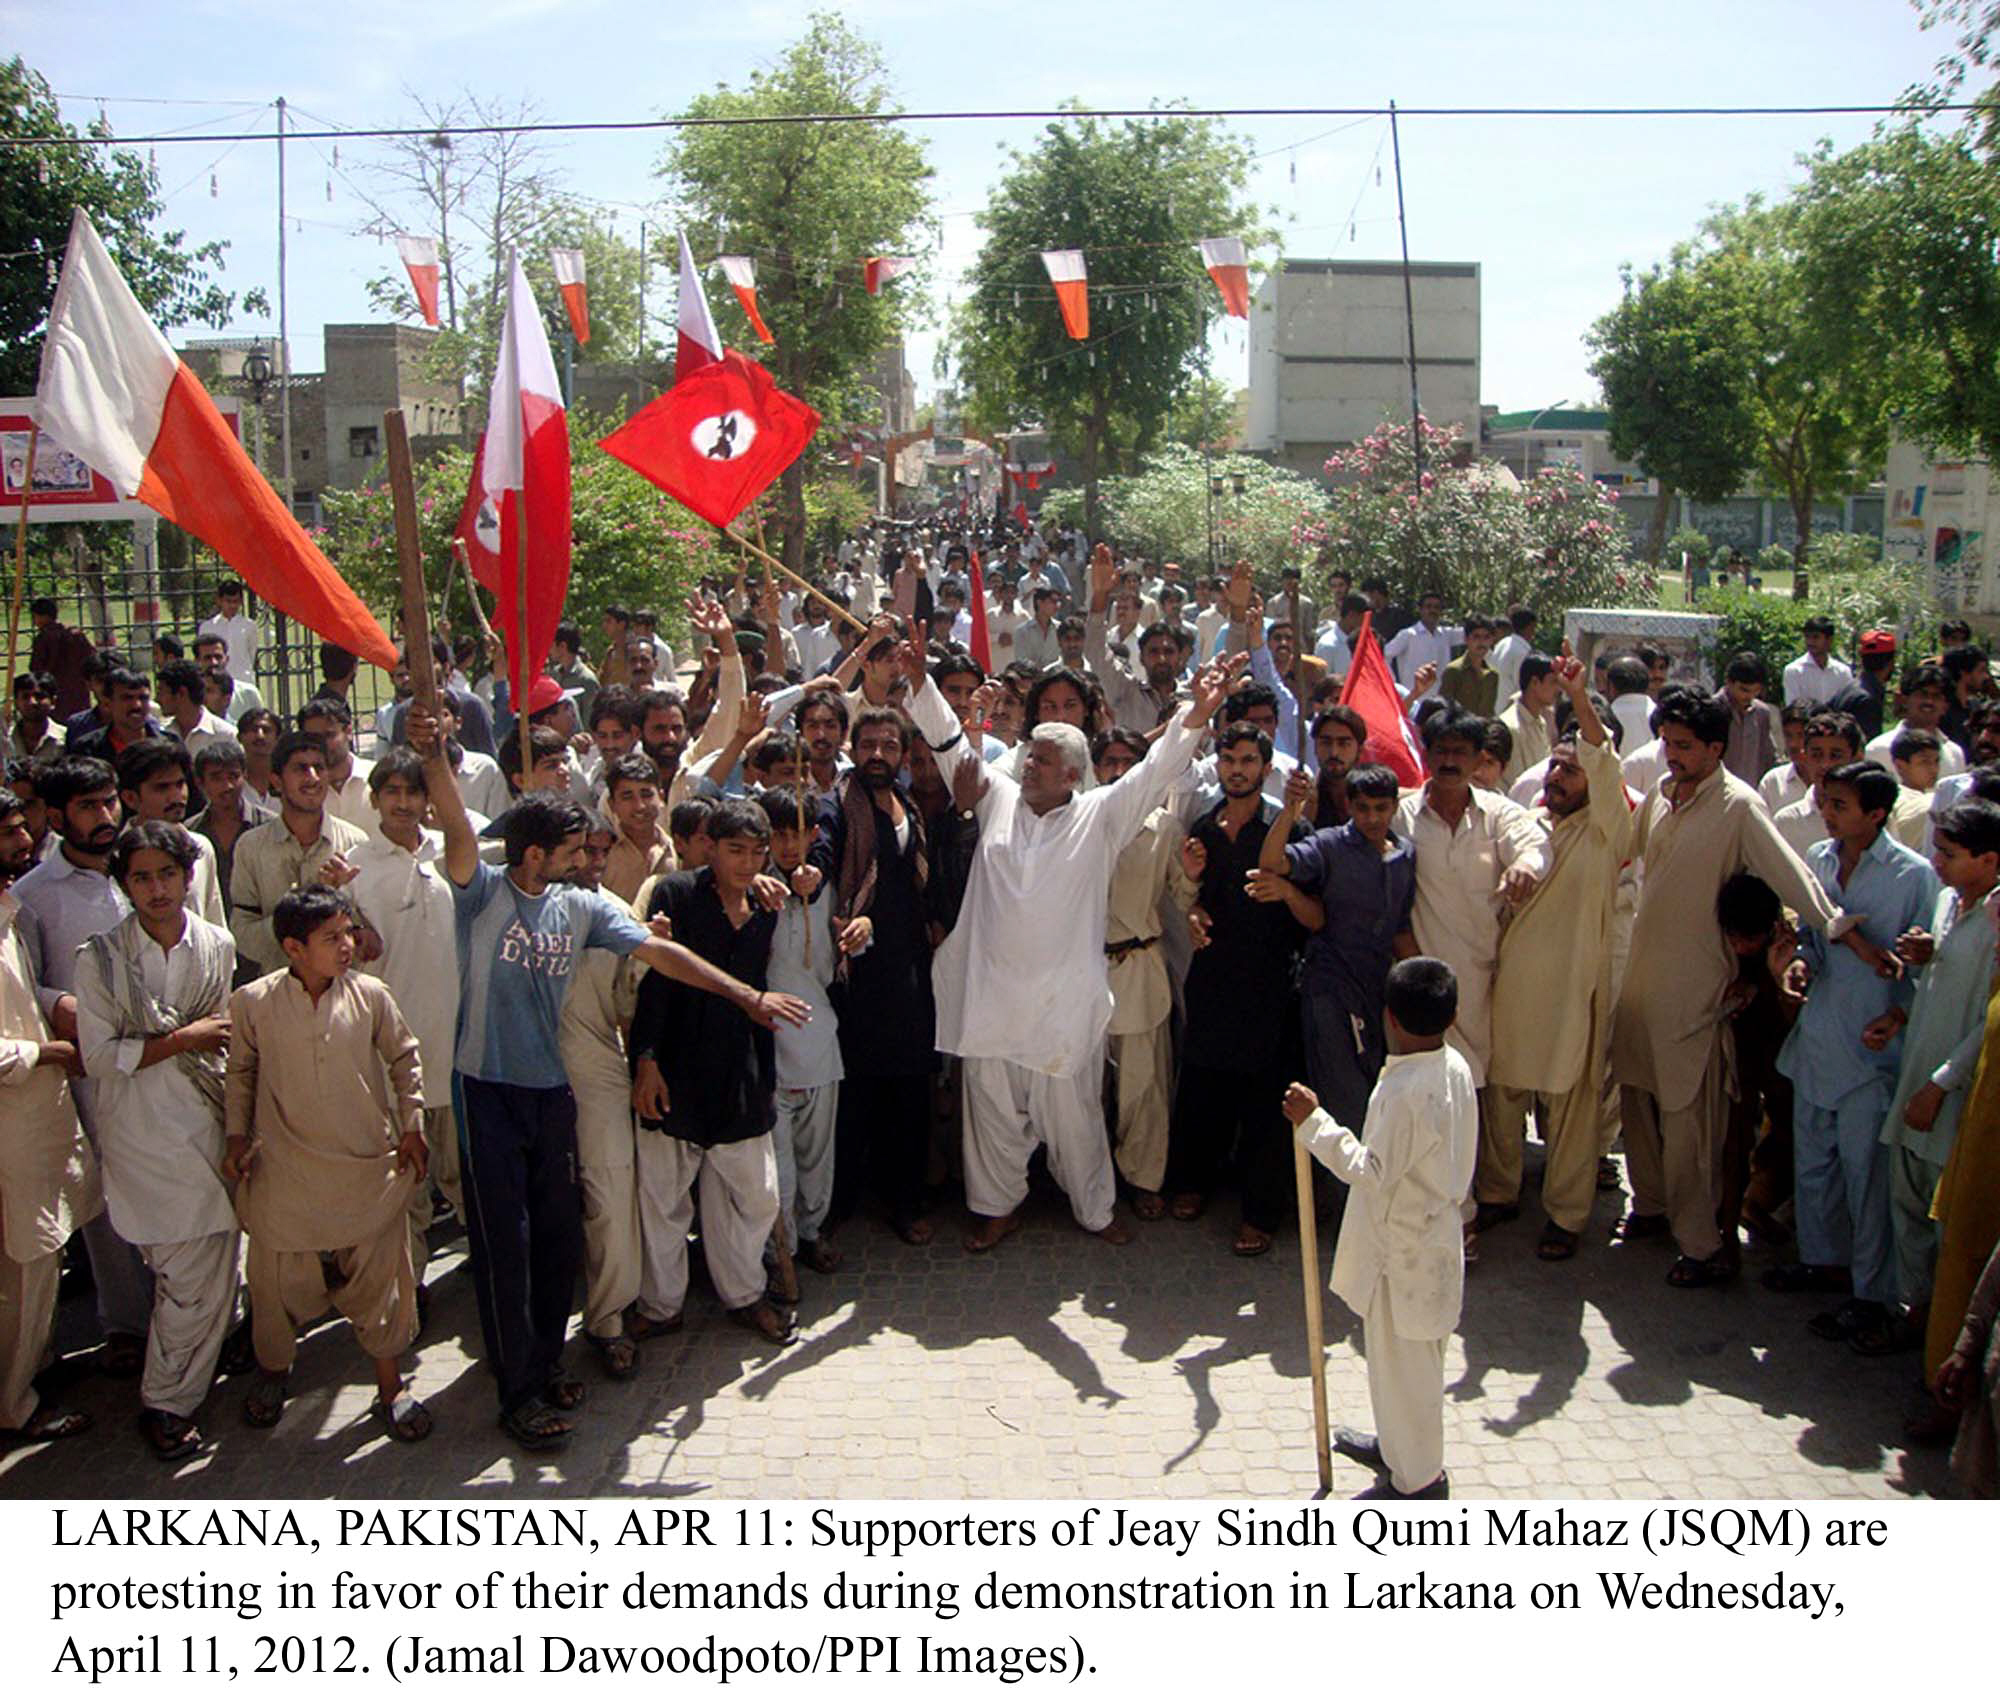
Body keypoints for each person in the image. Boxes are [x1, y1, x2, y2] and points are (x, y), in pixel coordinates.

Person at [408, 703, 807, 1446]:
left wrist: (745, 993)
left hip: (552, 1094)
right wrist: (434, 757)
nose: (586, 858)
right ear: (534, 855)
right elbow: (459, 827)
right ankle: (519, 1391)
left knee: (559, 1239)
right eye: (572, 849)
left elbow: (664, 957)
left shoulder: (580, 907)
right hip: (485, 1092)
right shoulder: (482, 892)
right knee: (508, 1246)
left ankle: (546, 1363)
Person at [912, 639, 1240, 1251]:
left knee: (1076, 1119)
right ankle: (995, 1208)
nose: (1025, 766)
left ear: (1070, 774)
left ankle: (1094, 1210)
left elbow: (1157, 769)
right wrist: (918, 683)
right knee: (990, 1114)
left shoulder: (1100, 816)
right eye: (1027, 757)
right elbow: (950, 745)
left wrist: (1198, 711)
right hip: (994, 998)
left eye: (1038, 760)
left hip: (1064, 1006)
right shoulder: (997, 800)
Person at [1610, 690, 1861, 1287]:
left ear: (1716, 749)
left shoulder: (1740, 807)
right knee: (1637, 1106)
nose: (1671, 755)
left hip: (1696, 993)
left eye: (1684, 746)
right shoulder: (1663, 799)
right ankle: (1649, 1209)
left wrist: (1829, 923)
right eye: (1667, 743)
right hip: (1643, 981)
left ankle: (1700, 1246)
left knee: (1690, 1125)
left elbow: (1786, 874)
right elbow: (1629, 856)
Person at [223, 887, 432, 1442]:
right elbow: (240, 1072)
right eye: (332, 937)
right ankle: (273, 1371)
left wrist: (412, 1126)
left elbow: (404, 1058)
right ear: (293, 947)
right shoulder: (253, 1002)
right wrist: (236, 1136)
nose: (347, 946)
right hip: (285, 1170)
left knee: (382, 1281)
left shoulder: (371, 995)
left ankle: (391, 1389)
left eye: (349, 932)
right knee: (272, 1283)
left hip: (365, 1166)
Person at [73, 822, 239, 1460]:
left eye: (166, 874)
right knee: (187, 1275)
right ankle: (166, 1404)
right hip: (141, 1132)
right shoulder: (101, 959)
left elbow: (224, 1038)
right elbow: (99, 1053)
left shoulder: (215, 945)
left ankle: (179, 1383)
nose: (156, 888)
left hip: (205, 1123)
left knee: (207, 1270)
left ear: (187, 876)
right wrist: (183, 1041)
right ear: (125, 887)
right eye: (140, 877)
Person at [1286, 956, 1477, 1501]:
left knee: (1408, 1370)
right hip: (1433, 1244)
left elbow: (1369, 1170)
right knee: (1401, 1366)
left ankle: (1419, 1482)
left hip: (1407, 1255)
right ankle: (1398, 1448)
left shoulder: (1405, 1093)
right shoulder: (1455, 1068)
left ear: (1388, 1018)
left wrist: (1314, 1123)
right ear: (1454, 1014)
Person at [1770, 761, 1938, 1349]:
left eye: (1841, 805)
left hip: (1873, 1048)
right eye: (1826, 801)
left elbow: (1927, 963)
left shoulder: (1913, 875)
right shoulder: (1817, 858)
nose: (1828, 812)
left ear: (1875, 813)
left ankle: (1871, 1294)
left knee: (1867, 1177)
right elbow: (1814, 938)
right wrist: (1801, 963)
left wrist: (1898, 1014)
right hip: (1820, 1035)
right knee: (1814, 1164)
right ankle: (1822, 1262)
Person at [628, 801, 807, 1347]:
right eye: (736, 851)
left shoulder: (767, 902)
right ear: (710, 847)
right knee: (662, 1198)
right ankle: (661, 1306)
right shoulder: (675, 894)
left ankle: (745, 1292)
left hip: (739, 1066)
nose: (747, 863)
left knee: (755, 1196)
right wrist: (647, 1061)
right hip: (677, 1062)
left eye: (757, 852)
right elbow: (655, 983)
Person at [1482, 656, 1629, 1261]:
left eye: (1570, 771)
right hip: (1515, 990)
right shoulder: (1527, 823)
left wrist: (1578, 696)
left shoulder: (1605, 830)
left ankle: (1566, 1215)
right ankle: (1498, 1192)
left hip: (1573, 991)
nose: (1557, 779)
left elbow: (1602, 752)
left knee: (1573, 1105)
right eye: (1554, 769)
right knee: (1503, 1094)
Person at [12, 757, 155, 1376]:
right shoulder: (32, 896)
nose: (104, 818)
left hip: (167, 1051)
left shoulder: (145, 866)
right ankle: (125, 1324)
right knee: (105, 1198)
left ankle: (196, 1315)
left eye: (108, 803)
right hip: (92, 1068)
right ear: (54, 816)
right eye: (87, 807)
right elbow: (24, 983)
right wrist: (57, 1003)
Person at [1166, 724, 1317, 1255]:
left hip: (1270, 982)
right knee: (1203, 1089)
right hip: (1213, 977)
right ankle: (1190, 1184)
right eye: (1229, 758)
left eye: (1248, 760)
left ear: (1266, 767)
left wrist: (1285, 895)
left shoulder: (1290, 827)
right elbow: (1190, 895)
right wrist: (1194, 911)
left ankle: (1261, 1214)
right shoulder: (1205, 827)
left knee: (1264, 1106)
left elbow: (1315, 913)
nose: (1237, 769)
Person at [806, 706, 942, 1246]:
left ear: (903, 754)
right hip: (857, 971)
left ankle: (905, 1204)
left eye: (889, 746)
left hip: (907, 967)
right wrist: (813, 870)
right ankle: (839, 1205)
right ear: (853, 749)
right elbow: (824, 843)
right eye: (868, 746)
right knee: (857, 1092)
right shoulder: (839, 803)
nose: (878, 756)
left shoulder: (907, 804)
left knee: (910, 1090)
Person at [1874, 800, 2000, 1366]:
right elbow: (1934, 985)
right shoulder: (1948, 900)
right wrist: (1922, 961)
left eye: (1949, 854)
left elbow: (1988, 1023)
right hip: (1917, 1078)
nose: (1937, 863)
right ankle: (1917, 1318)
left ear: (1990, 860)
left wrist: (1941, 1085)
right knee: (1907, 1205)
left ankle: (1945, 1348)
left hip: (1955, 1096)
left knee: (1946, 1224)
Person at [0, 787, 101, 1445]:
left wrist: (50, 1000)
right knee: (29, 1266)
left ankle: (25, 1374)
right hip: (18, 1116)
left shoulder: (10, 908)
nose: (23, 841)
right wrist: (49, 1051)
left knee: (31, 1265)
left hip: (35, 1119)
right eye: (8, 833)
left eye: (21, 827)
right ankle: (16, 1405)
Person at [343, 748, 464, 1273]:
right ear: (373, 800)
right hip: (393, 1053)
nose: (403, 802)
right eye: (391, 791)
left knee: (468, 1176)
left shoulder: (451, 855)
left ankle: (487, 1279)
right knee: (408, 1184)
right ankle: (408, 1294)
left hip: (456, 1047)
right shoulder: (353, 870)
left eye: (413, 791)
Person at [1255, 761, 1415, 1150]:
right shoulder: (1330, 845)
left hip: (1377, 989)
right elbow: (1273, 863)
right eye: (1363, 808)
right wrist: (1290, 813)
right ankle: (1348, 1199)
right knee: (1344, 1099)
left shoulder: (1404, 854)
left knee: (1375, 1089)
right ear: (1349, 807)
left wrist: (1421, 984)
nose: (1372, 818)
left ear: (1394, 806)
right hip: (1331, 987)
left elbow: (1400, 930)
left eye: (1381, 808)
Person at [1394, 707, 1548, 1101]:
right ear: (1427, 754)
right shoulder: (1401, 817)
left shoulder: (1497, 814)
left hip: (1481, 982)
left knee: (1475, 1091)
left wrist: (1525, 866)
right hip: (1421, 982)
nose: (1449, 761)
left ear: (1480, 758)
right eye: (1441, 751)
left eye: (1459, 752)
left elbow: (1534, 844)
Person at [758, 790, 867, 1284]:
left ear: (813, 835)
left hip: (818, 1037)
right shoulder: (753, 892)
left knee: (816, 1154)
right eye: (776, 835)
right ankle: (777, 1246)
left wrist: (861, 932)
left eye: (794, 834)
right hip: (768, 1041)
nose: (786, 845)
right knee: (775, 1161)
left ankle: (812, 1231)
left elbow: (851, 947)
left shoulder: (829, 890)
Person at [553, 814, 645, 1378]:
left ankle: (608, 1319)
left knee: (610, 1199)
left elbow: (627, 1007)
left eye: (599, 853)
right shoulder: (519, 905)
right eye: (579, 851)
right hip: (524, 1072)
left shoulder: (616, 915)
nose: (589, 863)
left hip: (598, 1070)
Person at [1095, 728, 1187, 1219]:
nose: (1117, 770)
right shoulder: (1080, 818)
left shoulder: (1165, 827)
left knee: (1142, 1088)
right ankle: (1084, 1179)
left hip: (1140, 966)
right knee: (1086, 1089)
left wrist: (1192, 875)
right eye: (1108, 760)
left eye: (1127, 761)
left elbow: (1182, 895)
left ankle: (1143, 1177)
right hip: (1085, 969)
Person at [229, 732, 369, 977]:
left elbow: (369, 940)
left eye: (319, 768)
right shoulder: (251, 848)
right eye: (301, 769)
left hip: (342, 995)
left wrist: (344, 903)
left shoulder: (355, 843)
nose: (312, 778)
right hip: (279, 993)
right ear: (277, 781)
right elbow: (242, 935)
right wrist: (311, 903)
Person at [115, 739, 226, 929]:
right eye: (162, 787)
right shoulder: (115, 856)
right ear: (131, 798)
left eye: (180, 784)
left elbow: (214, 922)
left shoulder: (201, 847)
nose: (176, 796)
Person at [602, 754, 676, 904]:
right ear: (612, 804)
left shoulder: (676, 849)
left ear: (661, 797)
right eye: (627, 796)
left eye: (646, 794)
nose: (639, 806)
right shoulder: (602, 853)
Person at [297, 698, 375, 834]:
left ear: (348, 732)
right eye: (314, 738)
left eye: (329, 735)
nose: (321, 744)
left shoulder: (378, 777)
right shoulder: (300, 790)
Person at [1717, 652, 1783, 787]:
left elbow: (1768, 757)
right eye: (1744, 690)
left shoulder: (1761, 713)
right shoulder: (1712, 710)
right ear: (1729, 682)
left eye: (1756, 691)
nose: (1749, 696)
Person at [1382, 591, 1459, 700]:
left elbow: (1471, 633)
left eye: (1437, 607)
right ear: (1420, 609)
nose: (1433, 610)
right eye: (1428, 606)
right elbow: (1383, 656)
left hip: (1439, 702)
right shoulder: (1408, 635)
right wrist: (1393, 684)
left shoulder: (1446, 635)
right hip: (1413, 702)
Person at [1499, 655, 1559, 786]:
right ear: (1535, 683)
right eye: (1553, 682)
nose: (1558, 689)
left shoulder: (1542, 723)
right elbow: (1515, 782)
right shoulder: (1510, 727)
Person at [197, 580, 262, 687]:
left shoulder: (249, 626)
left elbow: (251, 654)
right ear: (219, 601)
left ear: (241, 601)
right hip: (217, 683)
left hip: (243, 680)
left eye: (235, 601)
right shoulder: (207, 627)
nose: (232, 605)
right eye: (228, 601)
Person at [1784, 615, 1855, 708]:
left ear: (1829, 640)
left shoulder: (1843, 672)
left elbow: (1847, 706)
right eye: (1807, 637)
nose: (1810, 642)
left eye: (1816, 637)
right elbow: (1794, 709)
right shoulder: (1794, 671)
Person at [1437, 614, 1499, 716]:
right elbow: (1442, 710)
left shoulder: (1492, 675)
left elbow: (1489, 712)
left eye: (1486, 637)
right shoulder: (1454, 671)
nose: (1481, 642)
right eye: (1476, 636)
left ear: (1492, 640)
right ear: (1466, 639)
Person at [11, 672, 66, 765]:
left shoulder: (66, 738)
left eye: (39, 696)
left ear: (53, 702)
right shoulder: (4, 739)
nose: (32, 702)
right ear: (16, 703)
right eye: (25, 697)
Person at [1491, 606, 1536, 710]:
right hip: (1511, 712)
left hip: (1497, 707)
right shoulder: (1522, 653)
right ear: (1530, 627)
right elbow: (1522, 688)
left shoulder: (1502, 643)